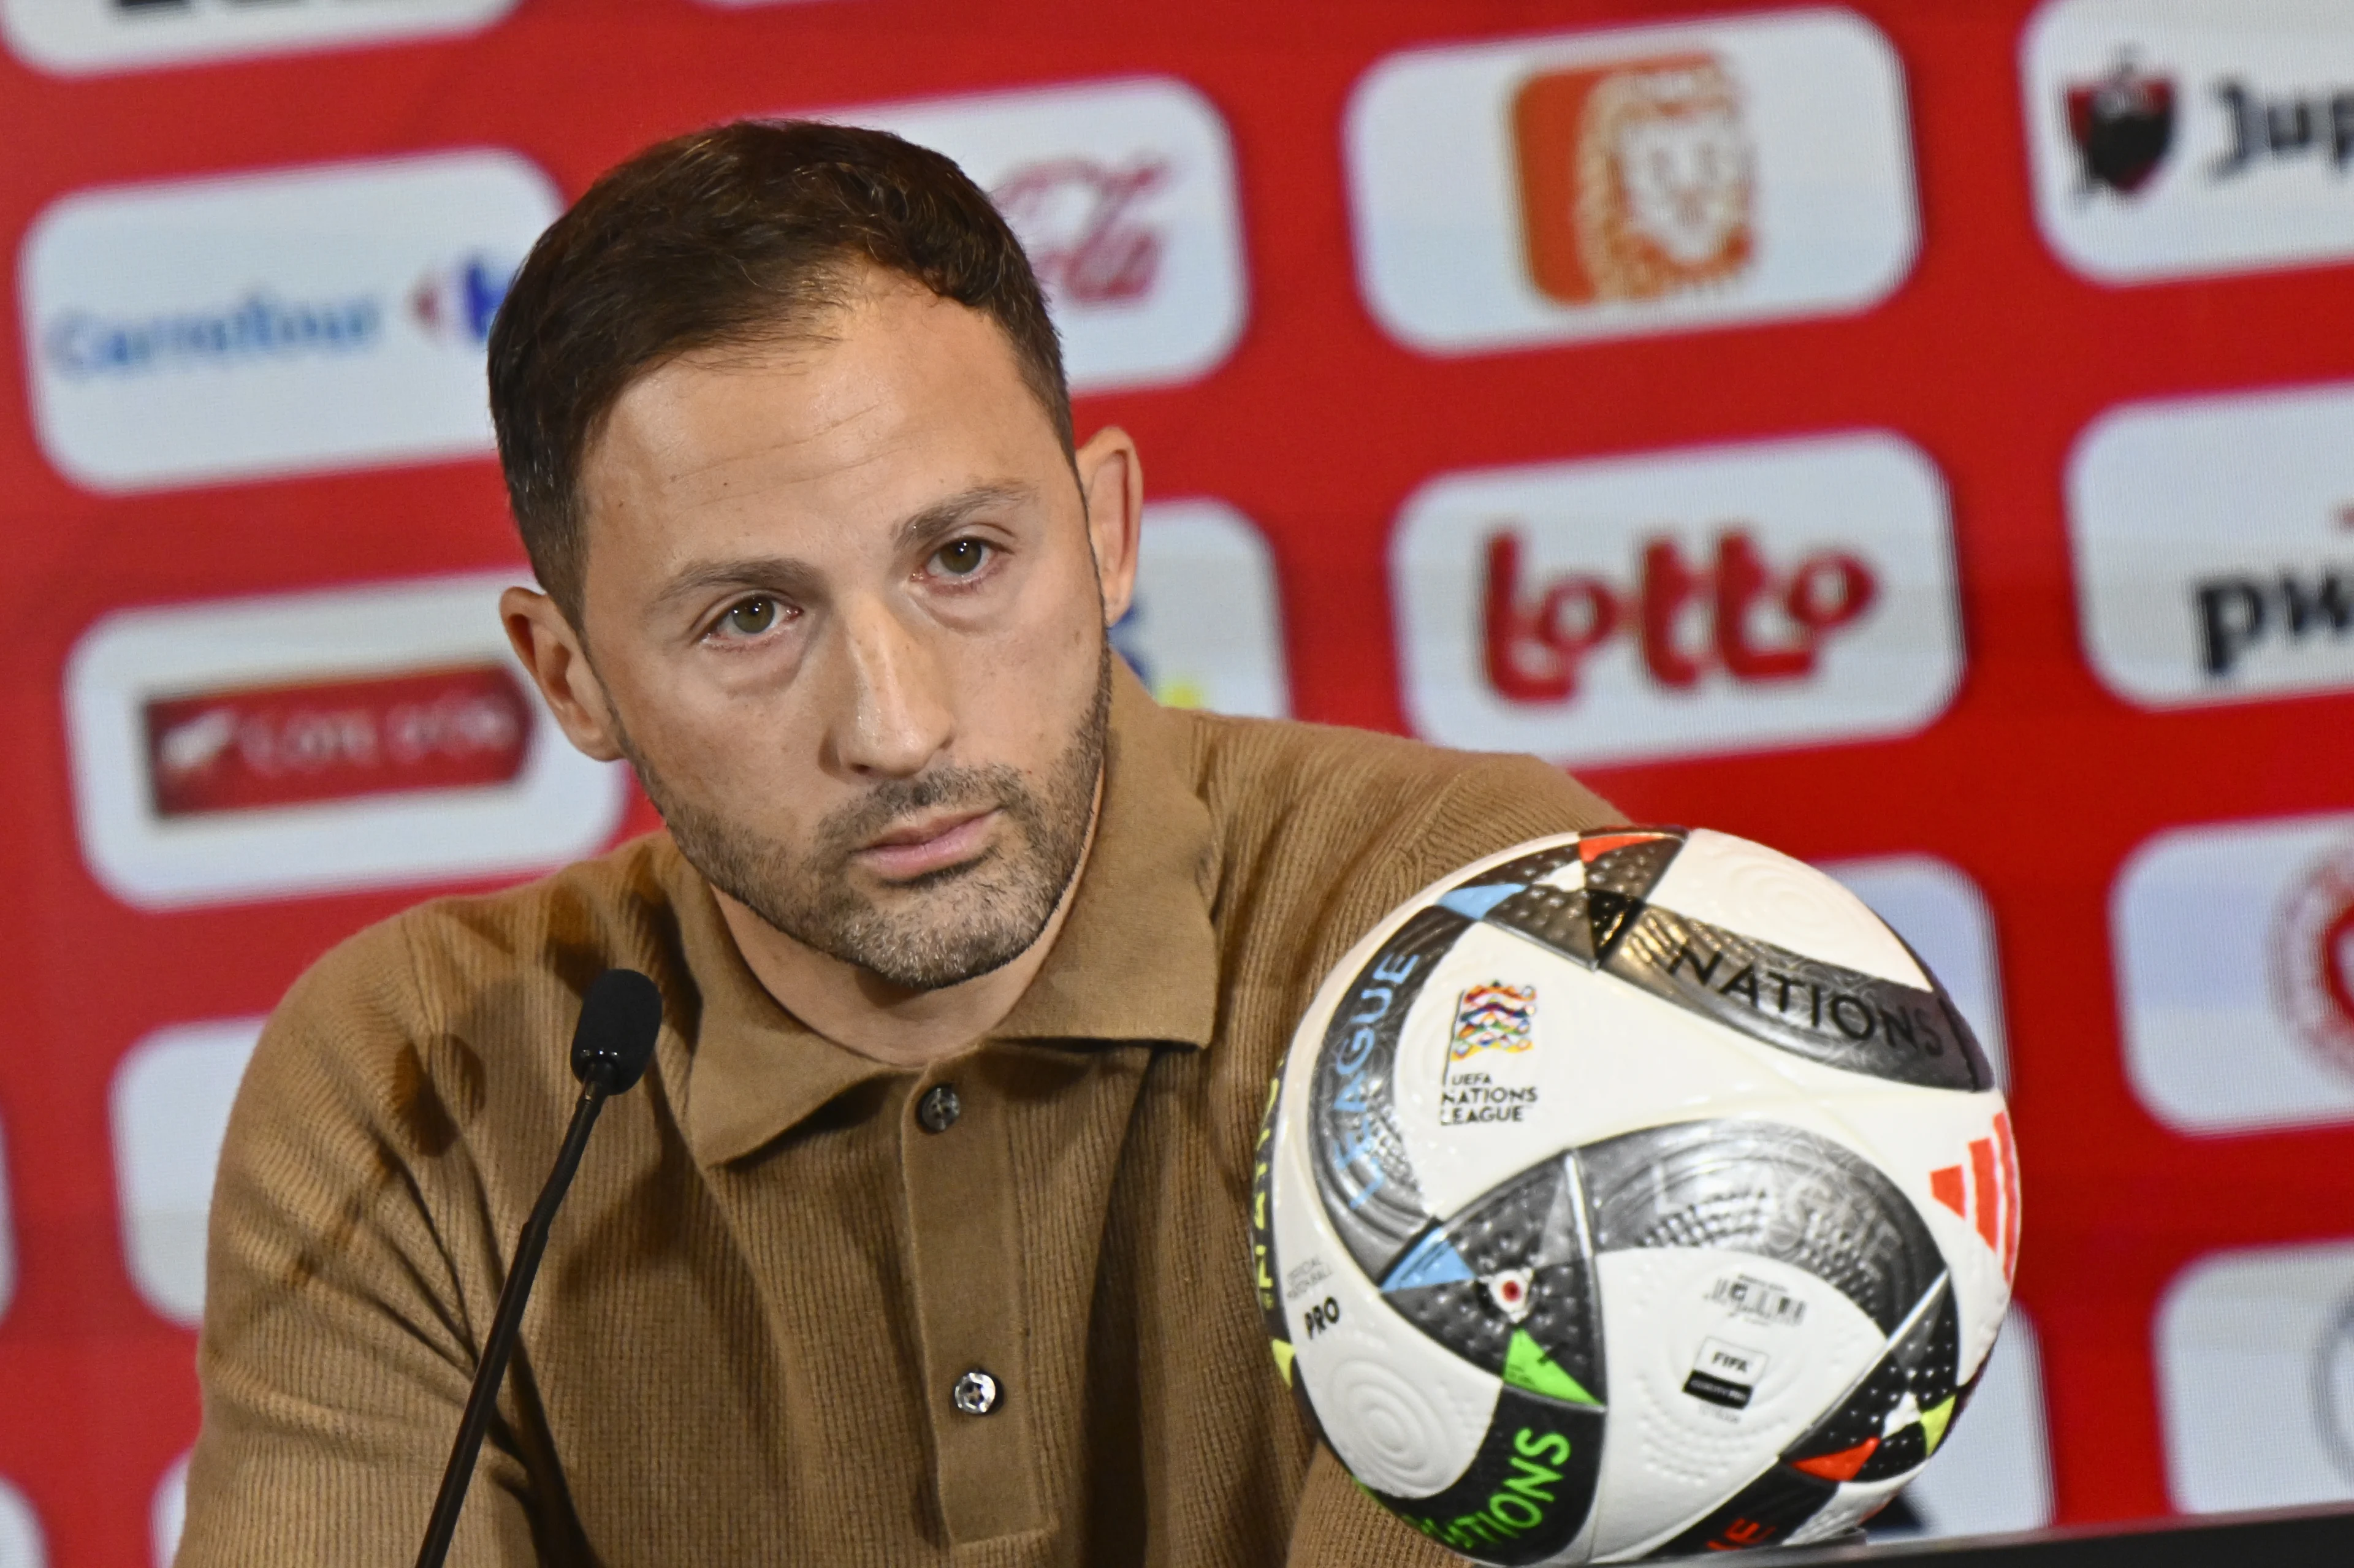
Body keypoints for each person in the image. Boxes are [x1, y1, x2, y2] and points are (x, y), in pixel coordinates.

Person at [176, 120, 1616, 1566]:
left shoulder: (1487, 928)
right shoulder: (425, 1072)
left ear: (1108, 532)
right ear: (572, 680)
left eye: (963, 559)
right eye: (750, 617)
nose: (899, 726)